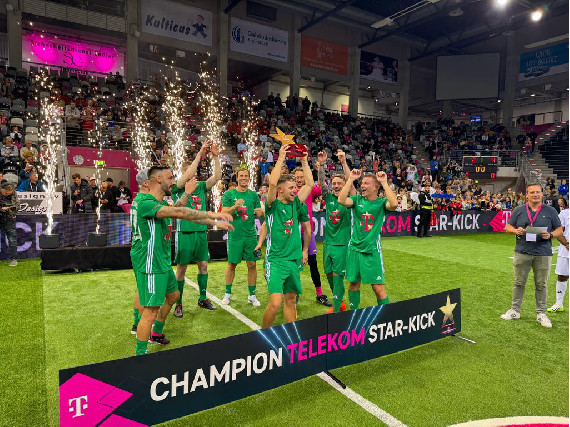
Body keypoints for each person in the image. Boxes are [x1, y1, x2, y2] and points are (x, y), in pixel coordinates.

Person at [132, 166, 233, 355]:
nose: (174, 181)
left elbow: (179, 211)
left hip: (162, 261)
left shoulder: (158, 202)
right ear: (158, 179)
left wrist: (213, 222)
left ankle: (156, 333)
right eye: (170, 178)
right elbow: (181, 213)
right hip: (152, 263)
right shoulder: (145, 202)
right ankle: (140, 354)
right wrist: (212, 215)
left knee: (173, 296)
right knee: (151, 310)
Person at [501, 183, 568, 328]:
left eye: (538, 192)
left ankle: (541, 314)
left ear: (542, 194)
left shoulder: (551, 211)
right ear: (527, 195)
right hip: (522, 252)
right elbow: (508, 227)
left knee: (541, 284)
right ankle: (515, 310)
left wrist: (550, 234)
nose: (535, 195)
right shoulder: (519, 210)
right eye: (532, 192)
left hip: (543, 253)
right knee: (519, 283)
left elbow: (559, 230)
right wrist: (515, 231)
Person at [261, 144, 313, 328]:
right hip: (275, 260)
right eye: (290, 187)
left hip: (292, 260)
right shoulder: (272, 206)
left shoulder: (296, 203)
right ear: (280, 190)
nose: (294, 190)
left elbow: (309, 185)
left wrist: (304, 161)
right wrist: (281, 157)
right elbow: (272, 183)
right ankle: (264, 333)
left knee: (291, 300)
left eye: (295, 187)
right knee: (275, 303)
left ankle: (292, 336)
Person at [172, 142, 222, 316]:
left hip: (200, 232)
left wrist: (216, 156)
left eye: (193, 171)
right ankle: (178, 303)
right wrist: (200, 152)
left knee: (203, 266)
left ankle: (202, 298)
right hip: (184, 233)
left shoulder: (200, 186)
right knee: (181, 269)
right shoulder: (177, 187)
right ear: (184, 172)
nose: (193, 173)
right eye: (189, 171)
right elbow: (187, 175)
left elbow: (217, 177)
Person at [338, 169, 397, 309]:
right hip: (354, 249)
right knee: (353, 284)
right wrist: (350, 179)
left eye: (366, 183)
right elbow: (341, 200)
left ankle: (384, 316)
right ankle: (353, 313)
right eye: (362, 183)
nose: (362, 186)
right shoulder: (357, 200)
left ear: (375, 187)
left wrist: (384, 182)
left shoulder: (381, 203)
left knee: (378, 287)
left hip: (371, 251)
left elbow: (394, 204)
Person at [316, 149, 354, 313]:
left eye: (340, 183)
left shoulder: (349, 200)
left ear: (345, 185)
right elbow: (321, 182)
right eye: (335, 183)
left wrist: (344, 162)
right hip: (328, 243)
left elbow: (351, 183)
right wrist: (321, 165)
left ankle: (337, 308)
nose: (337, 186)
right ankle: (341, 301)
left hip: (342, 244)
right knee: (329, 274)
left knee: (338, 277)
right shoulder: (329, 197)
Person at [221, 168, 264, 306]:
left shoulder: (254, 195)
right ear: (237, 178)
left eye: (246, 176)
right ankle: (227, 294)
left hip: (250, 236)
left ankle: (252, 295)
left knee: (252, 264)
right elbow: (223, 212)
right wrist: (235, 206)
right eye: (241, 176)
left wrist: (262, 213)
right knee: (231, 264)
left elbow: (260, 213)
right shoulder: (229, 194)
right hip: (235, 235)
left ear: (249, 178)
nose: (244, 178)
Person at [293, 163, 332, 307]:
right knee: (292, 265)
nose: (299, 180)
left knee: (313, 264)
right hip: (292, 234)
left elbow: (323, 188)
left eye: (301, 177)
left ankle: (319, 294)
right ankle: (293, 294)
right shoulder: (289, 191)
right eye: (297, 177)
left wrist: (320, 167)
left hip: (307, 233)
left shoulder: (310, 190)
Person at [548, 198, 569, 313]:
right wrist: (566, 244)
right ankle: (559, 303)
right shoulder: (564, 214)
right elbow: (558, 231)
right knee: (562, 275)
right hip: (565, 250)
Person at [0, 182, 19, 266]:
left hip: (9, 218)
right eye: (6, 193)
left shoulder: (13, 193)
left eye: (9, 193)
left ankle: (14, 259)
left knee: (12, 238)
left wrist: (8, 208)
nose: (8, 194)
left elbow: (17, 206)